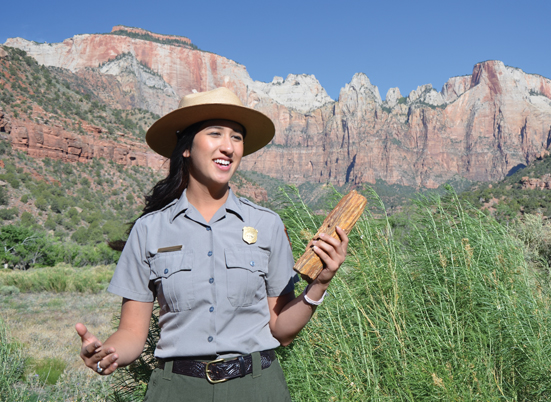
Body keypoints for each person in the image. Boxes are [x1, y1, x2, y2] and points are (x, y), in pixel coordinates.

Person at [75, 87, 348, 401]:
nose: (228, 147)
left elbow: (281, 330)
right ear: (187, 148)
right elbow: (131, 335)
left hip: (257, 389)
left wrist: (320, 284)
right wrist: (108, 353)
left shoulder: (266, 224)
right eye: (216, 133)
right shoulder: (150, 230)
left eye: (236, 137)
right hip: (177, 391)